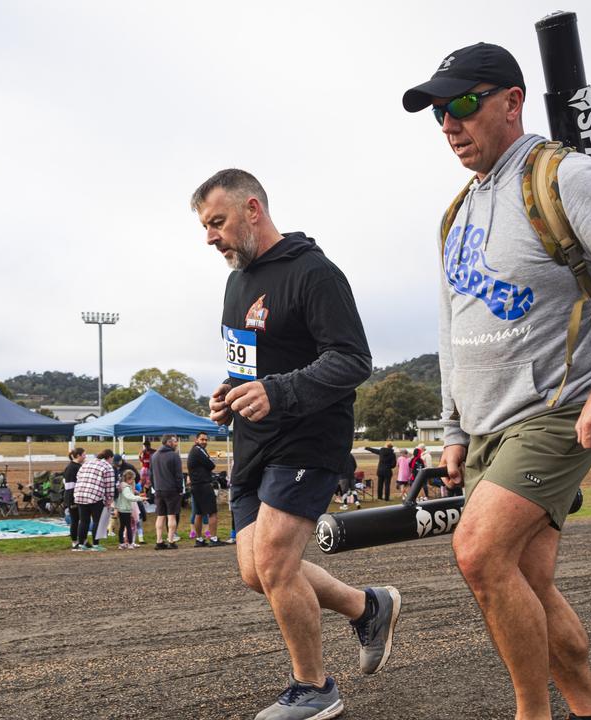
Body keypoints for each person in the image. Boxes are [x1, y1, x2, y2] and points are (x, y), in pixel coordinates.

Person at [403, 42, 591, 720]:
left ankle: (531, 714)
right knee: (525, 580)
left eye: (464, 103)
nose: (449, 122)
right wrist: (452, 428)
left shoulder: (567, 178)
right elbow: (454, 330)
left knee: (476, 554)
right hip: (486, 426)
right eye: (439, 111)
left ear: (512, 101)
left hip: (558, 408)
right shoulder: (457, 213)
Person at [193, 168, 401, 719]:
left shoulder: (315, 273)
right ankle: (367, 606)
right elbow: (247, 367)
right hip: (253, 442)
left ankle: (315, 688)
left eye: (217, 222)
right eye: (205, 226)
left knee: (277, 561)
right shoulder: (237, 282)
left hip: (309, 437)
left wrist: (277, 392)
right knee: (254, 571)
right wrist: (229, 394)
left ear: (252, 209)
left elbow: (354, 360)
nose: (210, 236)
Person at [73, 448, 116, 551]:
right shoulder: (107, 467)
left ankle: (82, 543)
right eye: (112, 459)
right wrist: (109, 500)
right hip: (95, 496)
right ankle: (96, 545)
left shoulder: (87, 463)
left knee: (83, 521)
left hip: (80, 494)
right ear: (109, 457)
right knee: (97, 520)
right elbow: (109, 485)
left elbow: (78, 476)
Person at [187, 432, 222, 547]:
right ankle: (213, 538)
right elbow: (211, 464)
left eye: (206, 440)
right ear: (196, 440)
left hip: (195, 486)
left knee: (199, 513)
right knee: (212, 512)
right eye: (202, 439)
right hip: (203, 485)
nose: (204, 442)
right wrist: (211, 463)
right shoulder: (199, 450)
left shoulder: (193, 451)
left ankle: (199, 539)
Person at [149, 435, 184, 550]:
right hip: (171, 489)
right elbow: (179, 475)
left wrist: (155, 487)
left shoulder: (154, 456)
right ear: (169, 442)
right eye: (175, 441)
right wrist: (180, 489)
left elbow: (151, 475)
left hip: (158, 489)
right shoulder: (174, 456)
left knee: (160, 516)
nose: (176, 443)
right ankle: (171, 540)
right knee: (171, 515)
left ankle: (159, 541)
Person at [114, 469, 147, 549]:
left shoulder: (121, 485)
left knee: (122, 527)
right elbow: (129, 497)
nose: (133, 481)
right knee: (128, 526)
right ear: (129, 479)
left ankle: (122, 543)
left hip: (121, 509)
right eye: (133, 479)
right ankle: (130, 543)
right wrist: (140, 498)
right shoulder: (126, 487)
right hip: (126, 509)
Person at [62, 447, 85, 550]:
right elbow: (70, 486)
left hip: (74, 496)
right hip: (73, 497)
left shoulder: (75, 466)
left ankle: (82, 540)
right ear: (78, 455)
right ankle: (75, 542)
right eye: (84, 454)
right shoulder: (73, 468)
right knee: (75, 520)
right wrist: (72, 500)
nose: (85, 456)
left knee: (80, 520)